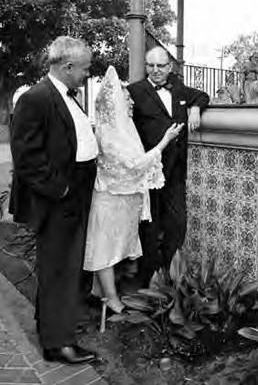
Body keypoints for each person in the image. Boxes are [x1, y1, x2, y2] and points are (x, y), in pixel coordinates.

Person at [9, 36, 98, 365]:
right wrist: (61, 190)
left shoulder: (66, 96)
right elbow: (27, 157)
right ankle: (58, 344)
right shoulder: (37, 98)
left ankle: (53, 326)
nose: (88, 75)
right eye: (85, 69)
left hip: (75, 193)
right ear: (68, 67)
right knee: (60, 269)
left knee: (65, 267)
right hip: (60, 198)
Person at [83, 66, 183, 314]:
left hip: (123, 200)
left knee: (112, 248)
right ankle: (112, 300)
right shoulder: (109, 133)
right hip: (109, 200)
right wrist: (165, 140)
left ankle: (98, 293)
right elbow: (134, 164)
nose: (131, 102)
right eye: (126, 98)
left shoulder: (124, 127)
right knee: (104, 250)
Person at [128, 47, 210, 288]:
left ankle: (166, 275)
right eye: (151, 65)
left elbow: (202, 95)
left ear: (170, 67)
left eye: (161, 66)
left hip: (174, 173)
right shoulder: (134, 92)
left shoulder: (178, 88)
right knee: (150, 229)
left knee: (177, 225)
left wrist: (194, 108)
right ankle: (147, 283)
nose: (155, 71)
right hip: (149, 174)